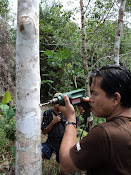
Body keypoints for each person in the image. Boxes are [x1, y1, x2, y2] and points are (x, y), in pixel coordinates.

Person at [58, 65, 131, 175]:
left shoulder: (104, 133)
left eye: (95, 93)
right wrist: (96, 105)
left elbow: (66, 164)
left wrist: (70, 119)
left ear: (116, 98)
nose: (90, 98)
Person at [41, 93, 66, 164]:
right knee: (38, 153)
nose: (57, 104)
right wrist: (53, 122)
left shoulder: (66, 114)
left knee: (64, 165)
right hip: (50, 142)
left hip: (63, 144)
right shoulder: (47, 113)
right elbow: (44, 132)